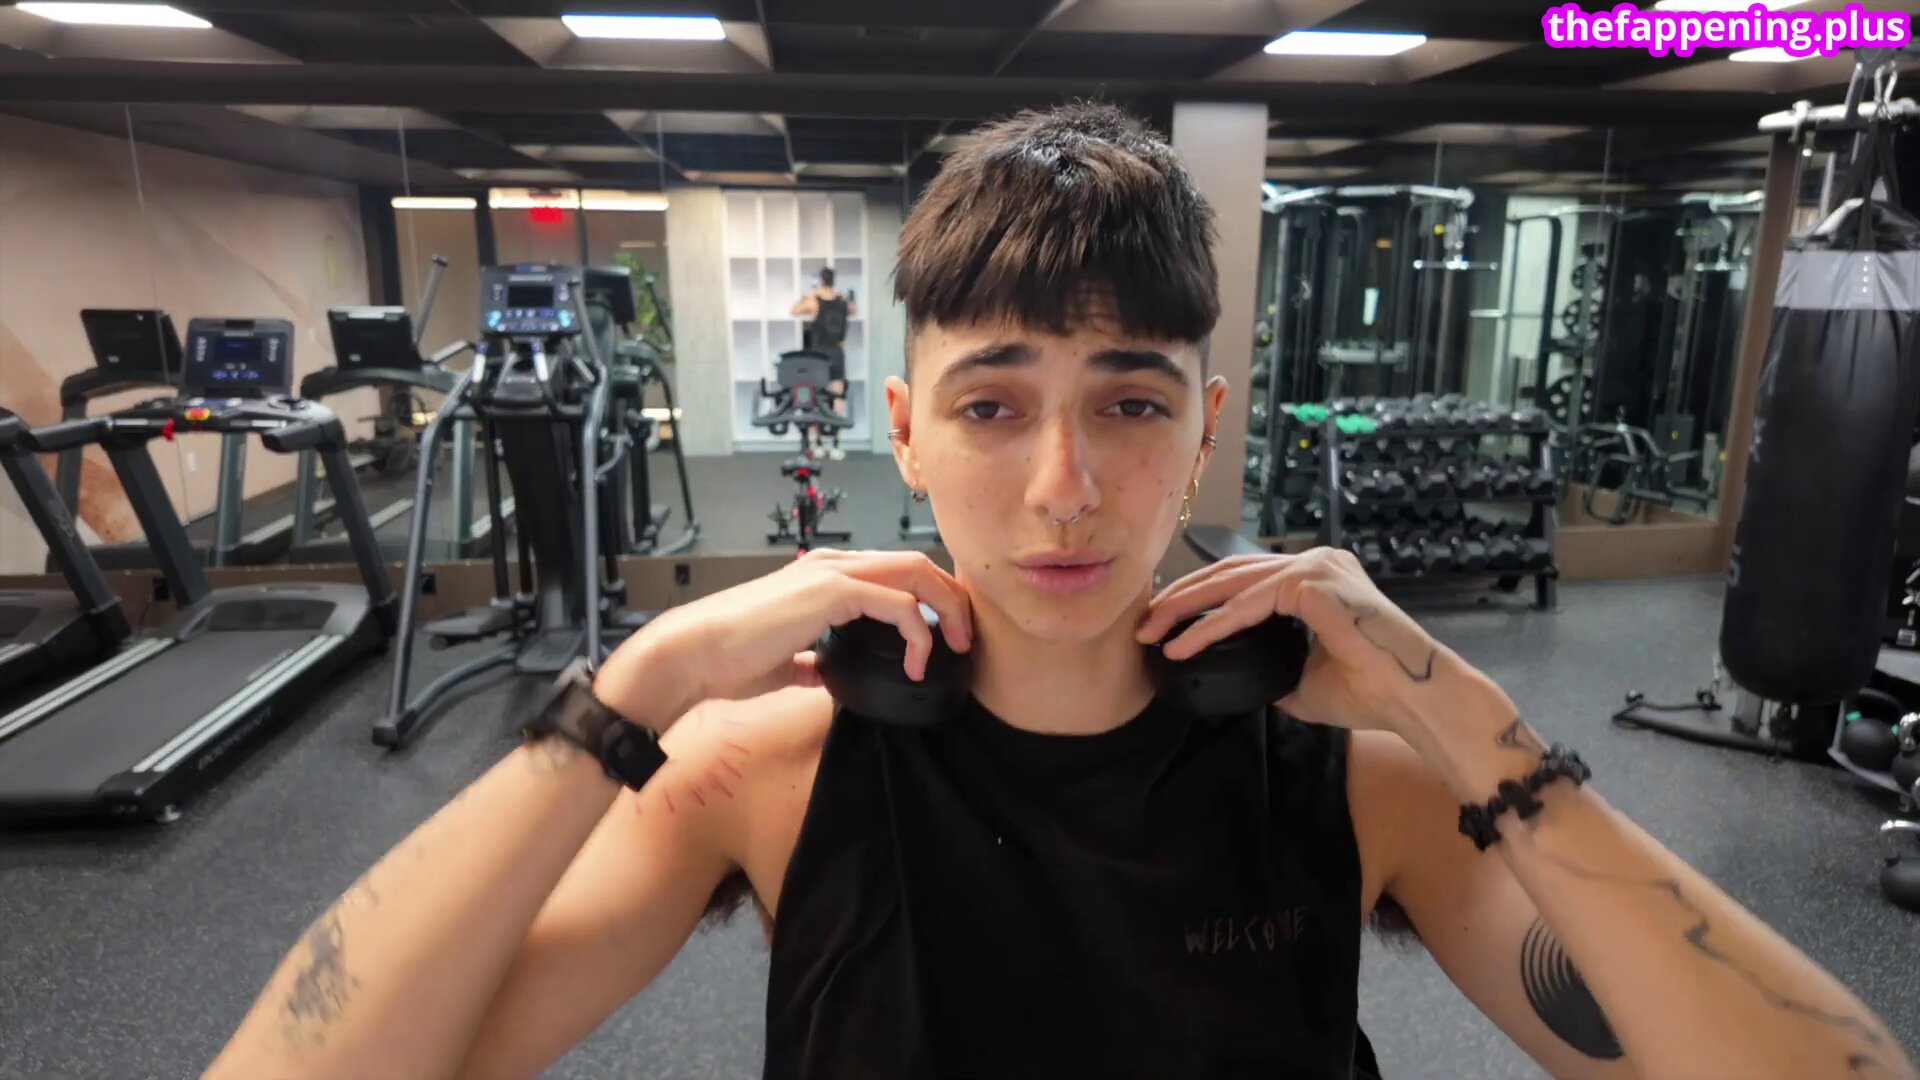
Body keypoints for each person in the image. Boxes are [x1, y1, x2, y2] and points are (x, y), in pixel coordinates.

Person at [207, 104, 1913, 1080]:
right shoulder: (768, 774)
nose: (1066, 487)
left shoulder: (1358, 783)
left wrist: (1460, 712)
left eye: (1132, 405)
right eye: (993, 407)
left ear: (1206, 430)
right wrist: (631, 692)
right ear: (905, 431)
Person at [791, 267, 855, 459]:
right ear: (834, 280)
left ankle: (817, 443)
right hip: (837, 352)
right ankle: (835, 445)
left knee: (814, 397)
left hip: (818, 355)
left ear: (820, 280)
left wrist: (809, 294)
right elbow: (853, 310)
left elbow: (794, 310)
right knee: (837, 398)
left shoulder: (814, 300)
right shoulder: (843, 301)